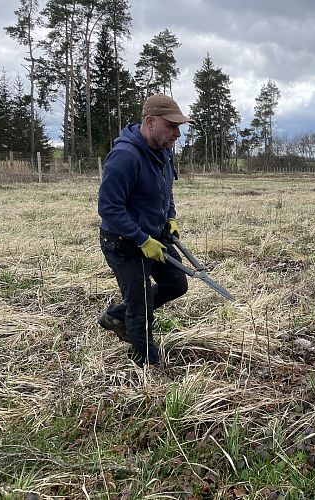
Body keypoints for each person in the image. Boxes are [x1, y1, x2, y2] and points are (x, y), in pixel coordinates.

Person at [97, 94, 194, 367]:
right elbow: (108, 207)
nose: (177, 133)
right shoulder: (125, 157)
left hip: (154, 236)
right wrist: (140, 238)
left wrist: (170, 218)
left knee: (176, 283)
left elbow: (166, 194)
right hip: (123, 242)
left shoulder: (162, 153)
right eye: (172, 126)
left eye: (179, 127)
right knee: (140, 309)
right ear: (150, 122)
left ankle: (117, 314)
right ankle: (148, 368)